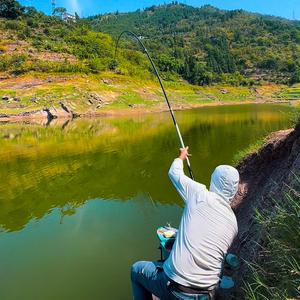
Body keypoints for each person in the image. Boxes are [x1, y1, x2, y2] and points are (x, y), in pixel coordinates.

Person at [131, 147, 239, 300]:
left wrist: (181, 157)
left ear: (213, 180)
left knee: (136, 270)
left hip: (175, 288)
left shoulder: (199, 193)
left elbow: (174, 173)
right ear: (234, 190)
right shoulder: (233, 222)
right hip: (207, 294)